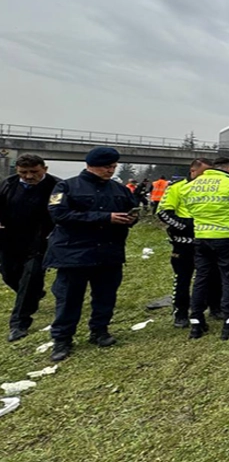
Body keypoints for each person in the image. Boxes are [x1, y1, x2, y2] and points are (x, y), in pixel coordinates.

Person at [44, 147, 138, 361]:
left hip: (109, 252)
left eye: (113, 167)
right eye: (107, 167)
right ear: (91, 165)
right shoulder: (66, 186)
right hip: (74, 253)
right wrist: (104, 218)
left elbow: (131, 209)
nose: (111, 171)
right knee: (69, 298)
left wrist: (131, 219)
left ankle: (100, 331)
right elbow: (59, 214)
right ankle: (62, 339)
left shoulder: (120, 189)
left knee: (106, 296)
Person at [185, 157, 229, 340]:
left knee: (201, 279)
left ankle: (196, 324)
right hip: (226, 239)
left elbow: (189, 211)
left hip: (201, 238)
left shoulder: (192, 185)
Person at [157, 158, 223, 327]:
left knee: (214, 276)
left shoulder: (214, 187)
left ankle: (215, 307)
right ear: (193, 171)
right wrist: (187, 226)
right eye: (204, 172)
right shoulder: (177, 187)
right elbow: (164, 213)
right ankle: (180, 313)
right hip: (184, 243)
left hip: (210, 239)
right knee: (183, 278)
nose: (207, 176)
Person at [0, 155, 60, 342]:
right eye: (23, 172)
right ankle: (33, 294)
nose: (28, 176)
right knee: (9, 275)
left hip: (41, 241)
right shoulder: (7, 185)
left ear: (45, 169)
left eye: (33, 172)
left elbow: (61, 213)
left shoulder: (57, 187)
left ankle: (19, 323)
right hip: (10, 240)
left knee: (31, 276)